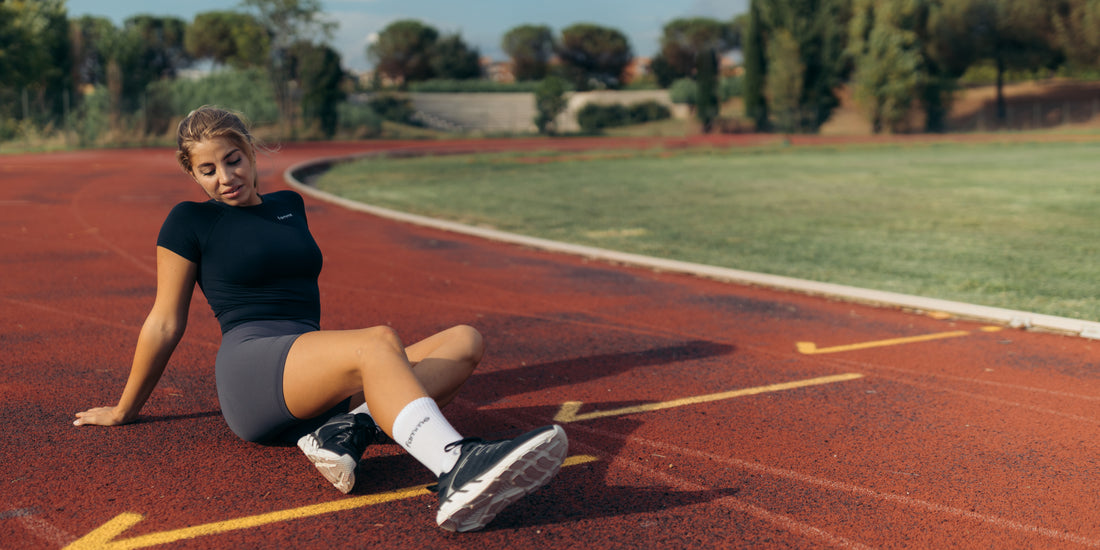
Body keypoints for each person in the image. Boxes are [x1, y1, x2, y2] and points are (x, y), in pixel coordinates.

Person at [73, 106, 568, 532]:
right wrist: (124, 409)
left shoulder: (289, 205)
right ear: (192, 174)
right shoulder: (189, 221)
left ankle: (342, 431)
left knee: (464, 341)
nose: (225, 177)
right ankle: (456, 466)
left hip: (309, 369)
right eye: (208, 170)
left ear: (249, 150)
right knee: (378, 343)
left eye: (233, 160)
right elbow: (164, 322)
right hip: (254, 373)